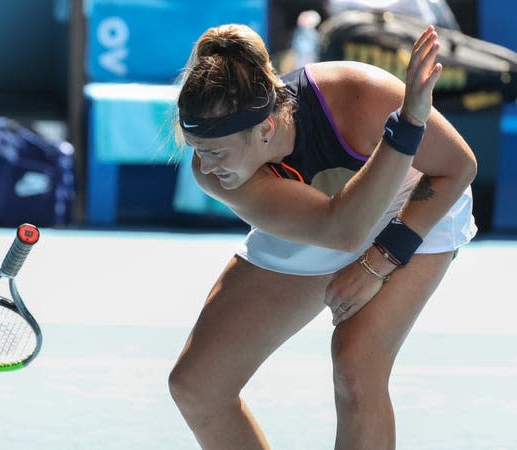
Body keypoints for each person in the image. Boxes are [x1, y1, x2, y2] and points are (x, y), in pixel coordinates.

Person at [168, 23, 477, 450]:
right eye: (197, 148)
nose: (205, 164)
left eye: (217, 150)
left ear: (265, 130)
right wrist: (407, 127)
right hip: (329, 217)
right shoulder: (214, 174)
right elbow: (342, 231)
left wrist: (383, 258)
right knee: (198, 385)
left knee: (356, 364)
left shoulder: (358, 95)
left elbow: (458, 167)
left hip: (417, 206)